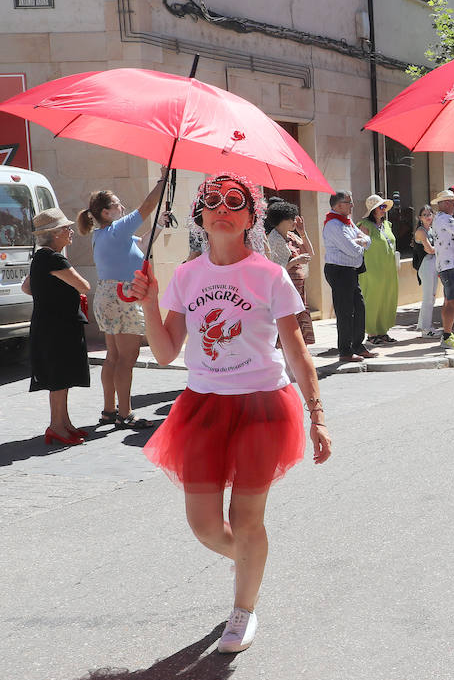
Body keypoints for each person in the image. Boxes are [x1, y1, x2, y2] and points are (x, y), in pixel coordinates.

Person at [129, 173, 332, 653]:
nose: (222, 207)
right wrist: (150, 303)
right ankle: (251, 560)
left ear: (249, 217)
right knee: (204, 525)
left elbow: (296, 350)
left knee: (245, 519)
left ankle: (243, 609)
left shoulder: (269, 275)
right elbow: (165, 353)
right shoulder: (186, 275)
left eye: (235, 201)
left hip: (262, 406)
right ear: (200, 214)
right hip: (202, 406)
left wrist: (317, 414)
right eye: (213, 199)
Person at [75, 174, 167, 429]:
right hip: (123, 295)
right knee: (127, 358)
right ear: (105, 212)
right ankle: (125, 414)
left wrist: (160, 224)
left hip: (108, 295)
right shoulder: (117, 230)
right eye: (117, 204)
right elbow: (146, 207)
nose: (122, 207)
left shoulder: (105, 234)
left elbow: (142, 244)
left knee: (113, 356)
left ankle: (109, 410)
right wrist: (162, 181)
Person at [23, 208, 92, 445]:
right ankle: (56, 426)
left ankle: (64, 423)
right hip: (58, 327)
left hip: (51, 324)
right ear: (54, 233)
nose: (71, 231)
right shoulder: (54, 258)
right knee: (59, 378)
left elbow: (26, 287)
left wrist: (49, 294)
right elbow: (84, 286)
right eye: (66, 228)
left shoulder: (40, 257)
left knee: (62, 378)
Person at [321, 191, 375, 363]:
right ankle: (345, 351)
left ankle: (357, 345)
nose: (352, 205)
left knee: (359, 308)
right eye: (348, 202)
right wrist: (361, 243)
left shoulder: (348, 221)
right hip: (339, 271)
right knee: (345, 312)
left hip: (351, 270)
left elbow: (367, 238)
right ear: (338, 205)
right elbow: (352, 250)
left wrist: (362, 241)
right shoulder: (333, 224)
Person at [264, 200, 316, 348]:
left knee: (299, 330)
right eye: (291, 218)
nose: (295, 221)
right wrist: (295, 261)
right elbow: (273, 269)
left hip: (298, 288)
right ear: (281, 220)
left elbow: (311, 253)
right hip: (285, 289)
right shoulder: (273, 239)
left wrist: (302, 232)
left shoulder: (291, 236)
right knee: (288, 330)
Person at [357, 194, 398, 345]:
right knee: (372, 300)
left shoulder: (387, 225)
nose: (384, 209)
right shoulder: (364, 225)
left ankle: (382, 331)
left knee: (387, 299)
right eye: (381, 207)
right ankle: (371, 333)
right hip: (372, 269)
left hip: (389, 269)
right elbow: (359, 247)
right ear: (373, 210)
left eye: (384, 206)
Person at [428, 190, 454, 350]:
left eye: (453, 202)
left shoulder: (441, 218)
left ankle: (448, 334)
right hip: (450, 266)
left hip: (447, 265)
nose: (453, 205)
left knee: (449, 301)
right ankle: (446, 336)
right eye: (450, 202)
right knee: (453, 301)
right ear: (442, 204)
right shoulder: (446, 219)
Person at [412, 205, 439, 335]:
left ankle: (425, 326)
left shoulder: (432, 230)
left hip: (433, 264)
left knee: (432, 297)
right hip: (425, 265)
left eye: (429, 214)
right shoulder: (421, 231)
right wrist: (443, 247)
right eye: (425, 215)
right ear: (420, 218)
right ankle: (426, 329)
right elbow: (429, 250)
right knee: (428, 297)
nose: (428, 217)